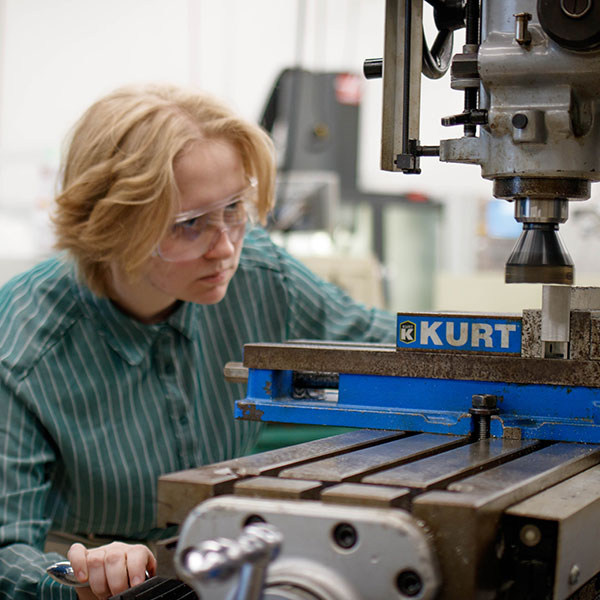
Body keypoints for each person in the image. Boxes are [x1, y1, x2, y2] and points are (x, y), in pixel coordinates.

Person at [0, 83, 396, 599]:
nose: (227, 246)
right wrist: (84, 578)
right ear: (113, 226)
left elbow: (391, 348)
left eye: (234, 207)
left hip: (230, 551)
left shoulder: (260, 274)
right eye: (190, 225)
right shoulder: (25, 345)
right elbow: (7, 553)